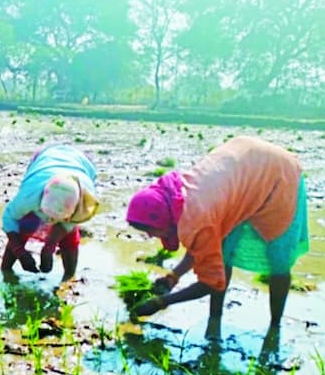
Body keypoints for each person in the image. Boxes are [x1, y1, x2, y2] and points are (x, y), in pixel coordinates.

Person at [125, 136, 309, 327]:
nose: (149, 236)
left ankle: (275, 326)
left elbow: (211, 282)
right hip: (244, 167)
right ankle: (215, 321)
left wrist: (161, 302)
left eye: (150, 229)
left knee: (278, 258)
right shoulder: (176, 197)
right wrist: (173, 277)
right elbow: (203, 245)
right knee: (224, 252)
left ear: (161, 218)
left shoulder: (198, 215)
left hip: (278, 174)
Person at [0, 144, 99, 280]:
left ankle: (69, 277)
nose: (49, 222)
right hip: (44, 160)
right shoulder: (30, 195)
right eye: (47, 215)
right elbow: (9, 218)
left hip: (81, 161)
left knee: (68, 235)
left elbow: (72, 222)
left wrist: (50, 245)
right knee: (25, 227)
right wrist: (19, 251)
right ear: (41, 202)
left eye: (57, 218)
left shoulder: (85, 200)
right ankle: (6, 273)